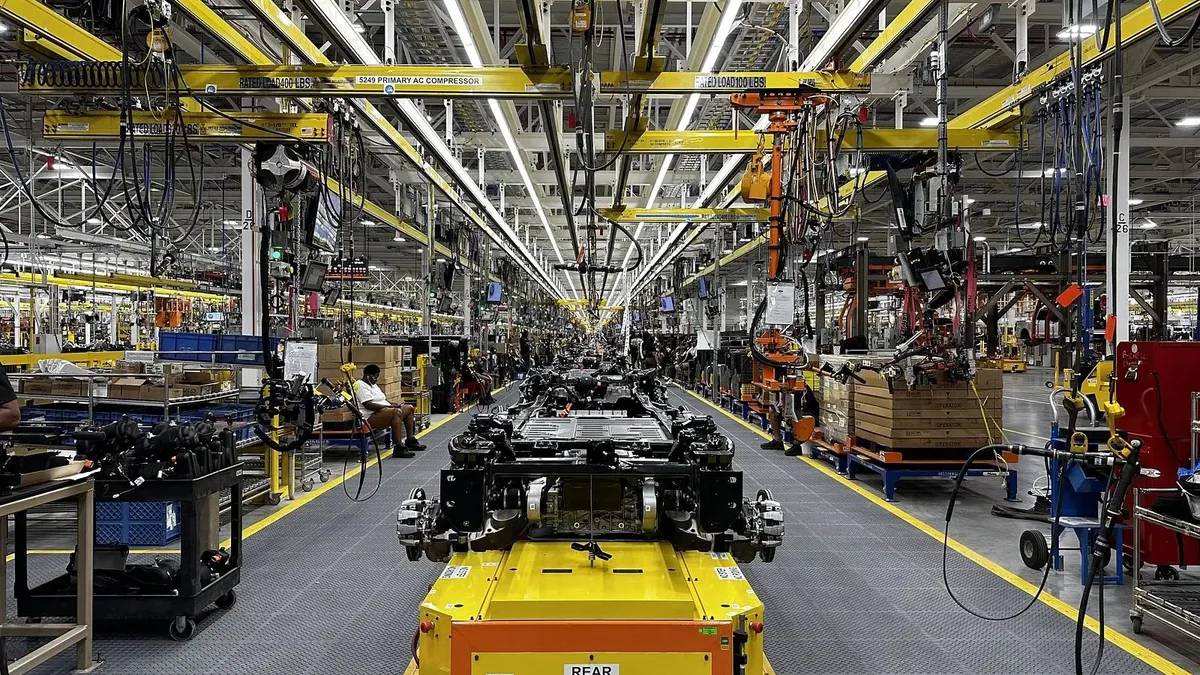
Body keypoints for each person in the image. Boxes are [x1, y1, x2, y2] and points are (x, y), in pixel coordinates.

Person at [353, 364, 425, 458]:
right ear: (368, 376)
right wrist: (389, 407)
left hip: (382, 411)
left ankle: (410, 440)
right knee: (396, 412)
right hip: (369, 417)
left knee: (409, 408)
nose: (376, 380)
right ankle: (398, 447)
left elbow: (381, 399)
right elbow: (368, 405)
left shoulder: (372, 385)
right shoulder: (359, 385)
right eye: (375, 377)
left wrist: (392, 404)